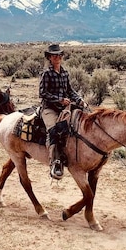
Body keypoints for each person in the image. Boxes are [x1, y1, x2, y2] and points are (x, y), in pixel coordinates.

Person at [39, 44, 87, 180]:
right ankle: (55, 162)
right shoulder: (46, 73)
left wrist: (79, 100)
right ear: (49, 57)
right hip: (49, 108)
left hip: (63, 108)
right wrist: (59, 100)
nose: (58, 57)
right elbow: (42, 93)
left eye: (60, 55)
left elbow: (70, 91)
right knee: (54, 130)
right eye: (54, 55)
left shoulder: (65, 72)